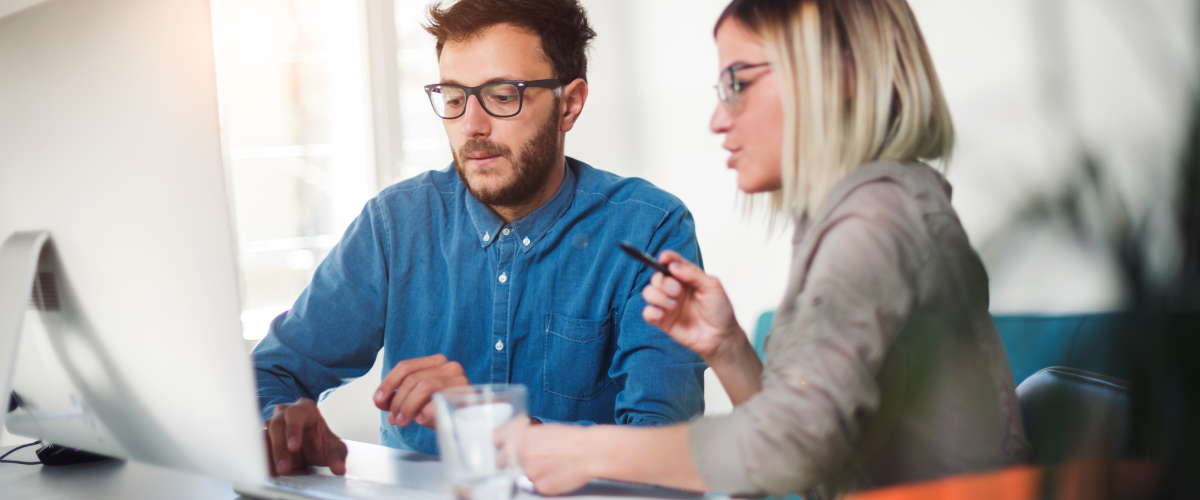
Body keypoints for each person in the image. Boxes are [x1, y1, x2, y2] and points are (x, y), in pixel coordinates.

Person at [516, 0, 1031, 498]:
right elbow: (817, 454)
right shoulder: (861, 209)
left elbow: (791, 447)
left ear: (840, 75)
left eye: (738, 83)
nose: (718, 119)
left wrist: (587, 451)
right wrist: (729, 349)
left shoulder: (876, 221)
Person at [252, 0, 706, 477]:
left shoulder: (648, 229)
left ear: (568, 104)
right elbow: (270, 373)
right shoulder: (395, 224)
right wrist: (282, 425)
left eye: (503, 95)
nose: (472, 125)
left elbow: (666, 449)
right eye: (453, 98)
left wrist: (491, 423)